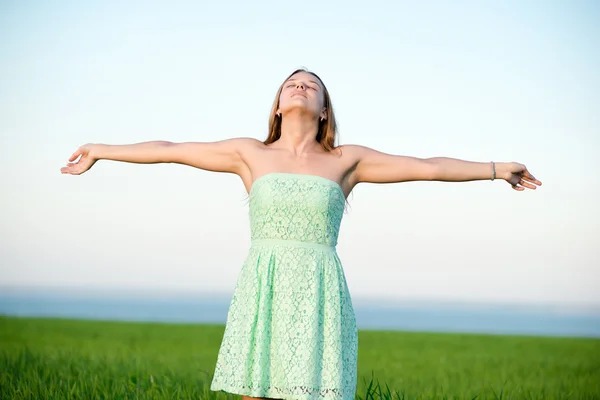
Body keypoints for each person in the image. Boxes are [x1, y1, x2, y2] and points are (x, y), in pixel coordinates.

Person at [60, 68, 542, 400]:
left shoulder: (345, 159)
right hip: (263, 286)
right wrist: (101, 149)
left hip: (320, 291)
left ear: (324, 109)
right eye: (291, 83)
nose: (299, 87)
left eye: (310, 85)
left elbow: (429, 167)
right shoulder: (248, 153)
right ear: (277, 106)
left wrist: (497, 169)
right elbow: (171, 149)